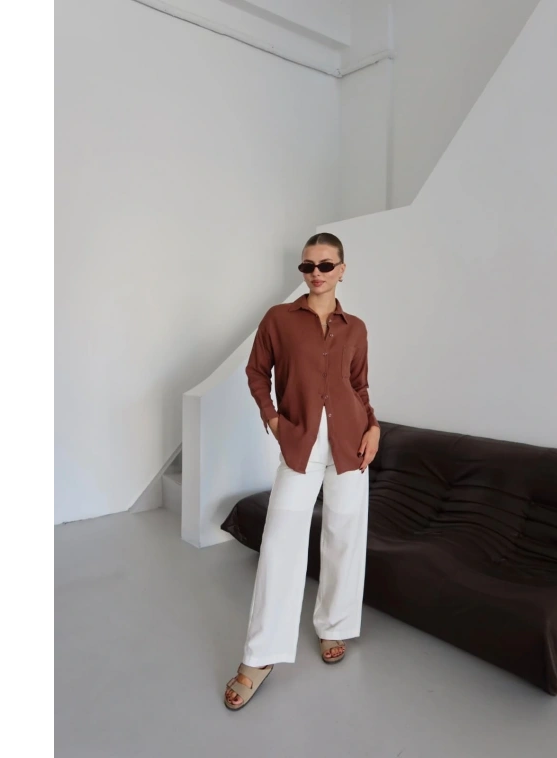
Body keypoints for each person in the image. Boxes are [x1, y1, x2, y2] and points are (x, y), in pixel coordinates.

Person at [224, 232, 381, 711]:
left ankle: (335, 625)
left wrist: (373, 426)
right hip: (301, 443)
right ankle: (260, 656)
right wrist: (273, 419)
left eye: (326, 265)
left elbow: (359, 386)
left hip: (351, 443)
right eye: (308, 266)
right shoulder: (279, 319)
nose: (316, 273)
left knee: (345, 536)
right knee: (280, 542)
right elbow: (257, 372)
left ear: (342, 270)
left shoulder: (356, 328)